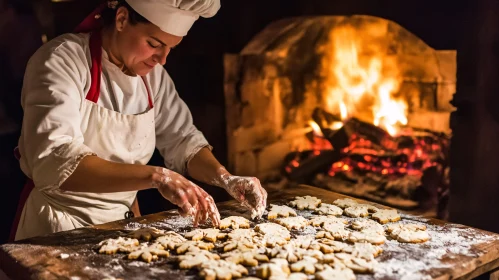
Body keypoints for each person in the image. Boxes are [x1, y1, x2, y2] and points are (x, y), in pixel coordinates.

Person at [11, 0, 267, 241]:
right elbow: (56, 160)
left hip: (123, 226)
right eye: (154, 43)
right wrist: (156, 177)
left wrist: (225, 177)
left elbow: (184, 141)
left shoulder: (153, 77)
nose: (162, 59)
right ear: (122, 19)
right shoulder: (62, 61)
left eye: (170, 48)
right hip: (58, 229)